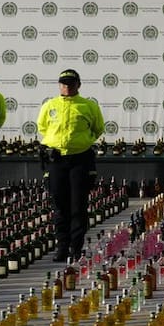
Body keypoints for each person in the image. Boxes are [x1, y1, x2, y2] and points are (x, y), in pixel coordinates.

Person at [37, 69, 105, 262]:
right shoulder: (50, 105)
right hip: (57, 160)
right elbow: (42, 127)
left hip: (79, 160)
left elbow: (97, 128)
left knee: (78, 206)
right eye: (63, 84)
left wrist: (81, 141)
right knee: (59, 205)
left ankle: (76, 248)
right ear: (59, 85)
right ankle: (62, 247)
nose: (67, 87)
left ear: (78, 85)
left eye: (71, 83)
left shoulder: (88, 106)